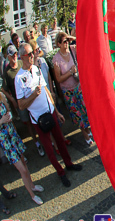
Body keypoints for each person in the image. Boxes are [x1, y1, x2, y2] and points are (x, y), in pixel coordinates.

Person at [15, 43, 82, 187]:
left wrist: (56, 111)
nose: (32, 56)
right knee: (50, 150)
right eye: (29, 54)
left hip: (50, 112)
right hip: (38, 119)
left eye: (33, 52)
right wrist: (33, 96)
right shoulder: (19, 78)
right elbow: (21, 105)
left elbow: (45, 90)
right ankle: (60, 172)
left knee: (61, 141)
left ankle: (69, 164)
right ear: (22, 57)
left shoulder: (36, 69)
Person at [0, 91, 45, 206]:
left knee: (25, 165)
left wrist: (9, 115)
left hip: (13, 135)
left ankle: (33, 186)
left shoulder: (1, 95)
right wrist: (1, 121)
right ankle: (32, 195)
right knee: (22, 170)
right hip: (5, 142)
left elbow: (9, 110)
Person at [1, 45, 44, 157]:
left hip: (32, 98)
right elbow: (4, 89)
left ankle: (43, 138)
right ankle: (36, 142)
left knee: (37, 119)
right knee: (28, 122)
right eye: (12, 55)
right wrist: (12, 100)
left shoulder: (21, 63)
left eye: (15, 53)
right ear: (8, 57)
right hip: (20, 101)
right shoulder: (7, 72)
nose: (14, 56)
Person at [52, 32, 93, 145]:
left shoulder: (72, 49)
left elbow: (83, 43)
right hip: (68, 91)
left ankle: (88, 129)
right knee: (77, 114)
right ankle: (84, 134)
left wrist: (72, 38)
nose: (66, 43)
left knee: (84, 110)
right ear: (59, 44)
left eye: (67, 41)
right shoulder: (56, 59)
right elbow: (58, 79)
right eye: (64, 41)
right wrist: (70, 72)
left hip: (78, 86)